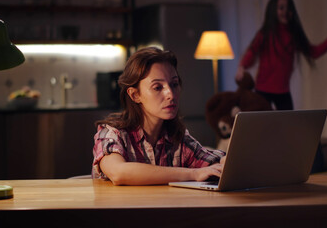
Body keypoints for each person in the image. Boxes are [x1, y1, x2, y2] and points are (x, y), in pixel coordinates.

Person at [92, 47, 226, 185]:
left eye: (174, 84)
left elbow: (215, 159)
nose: (171, 94)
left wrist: (225, 161)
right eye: (157, 87)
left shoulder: (177, 139)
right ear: (135, 95)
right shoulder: (112, 133)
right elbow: (119, 173)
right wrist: (193, 174)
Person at [236, 0, 327, 110]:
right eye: (281, 8)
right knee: (262, 124)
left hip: (283, 92)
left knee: (288, 125)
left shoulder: (294, 35)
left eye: (289, 8)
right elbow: (252, 51)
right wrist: (242, 66)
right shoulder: (264, 34)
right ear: (273, 11)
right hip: (263, 90)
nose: (286, 11)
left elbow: (313, 52)